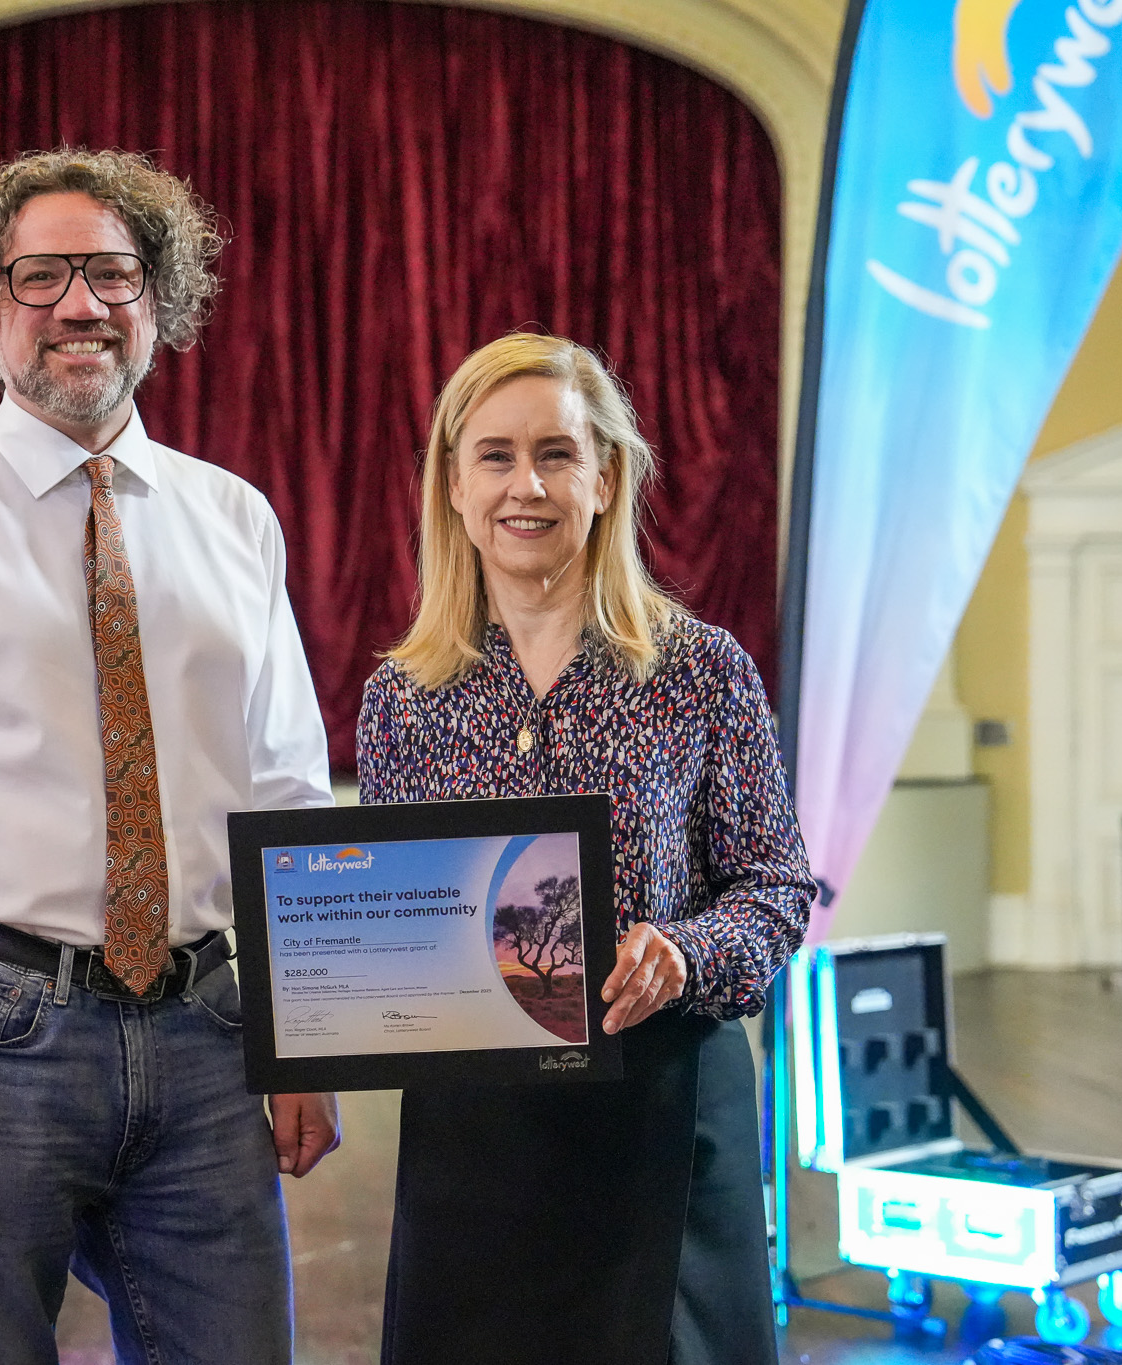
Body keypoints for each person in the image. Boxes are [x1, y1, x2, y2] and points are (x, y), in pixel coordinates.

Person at [0, 147, 341, 1365]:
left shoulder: (234, 518)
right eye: (38, 277)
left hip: (210, 1041)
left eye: (113, 274)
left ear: (158, 303)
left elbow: (289, 797)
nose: (81, 304)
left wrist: (306, 1036)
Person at [356, 332, 812, 1365]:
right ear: (454, 486)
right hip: (477, 1137)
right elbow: (398, 925)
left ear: (605, 479)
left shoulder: (702, 671)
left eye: (556, 454)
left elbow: (777, 886)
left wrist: (686, 950)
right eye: (496, 455)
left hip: (663, 1111)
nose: (526, 484)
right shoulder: (402, 698)